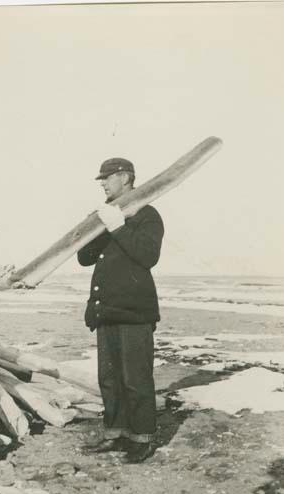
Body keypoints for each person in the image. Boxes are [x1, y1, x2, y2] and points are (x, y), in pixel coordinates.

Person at [77, 157, 164, 463]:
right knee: (109, 378)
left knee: (135, 378)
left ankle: (142, 438)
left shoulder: (147, 214)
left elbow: (147, 255)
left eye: (107, 178)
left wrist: (118, 226)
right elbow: (85, 258)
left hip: (134, 311)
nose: (102, 183)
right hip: (107, 310)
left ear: (125, 178)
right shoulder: (107, 214)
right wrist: (94, 226)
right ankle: (115, 434)